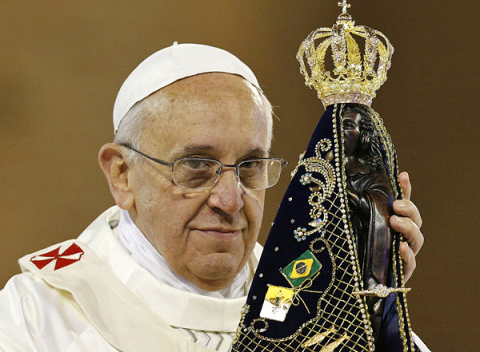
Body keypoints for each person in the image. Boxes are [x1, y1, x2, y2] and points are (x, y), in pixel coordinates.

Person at [0, 43, 424, 351]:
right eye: (197, 166)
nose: (230, 200)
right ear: (122, 174)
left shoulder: (306, 293)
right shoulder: (38, 315)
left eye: (250, 167)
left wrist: (374, 311)